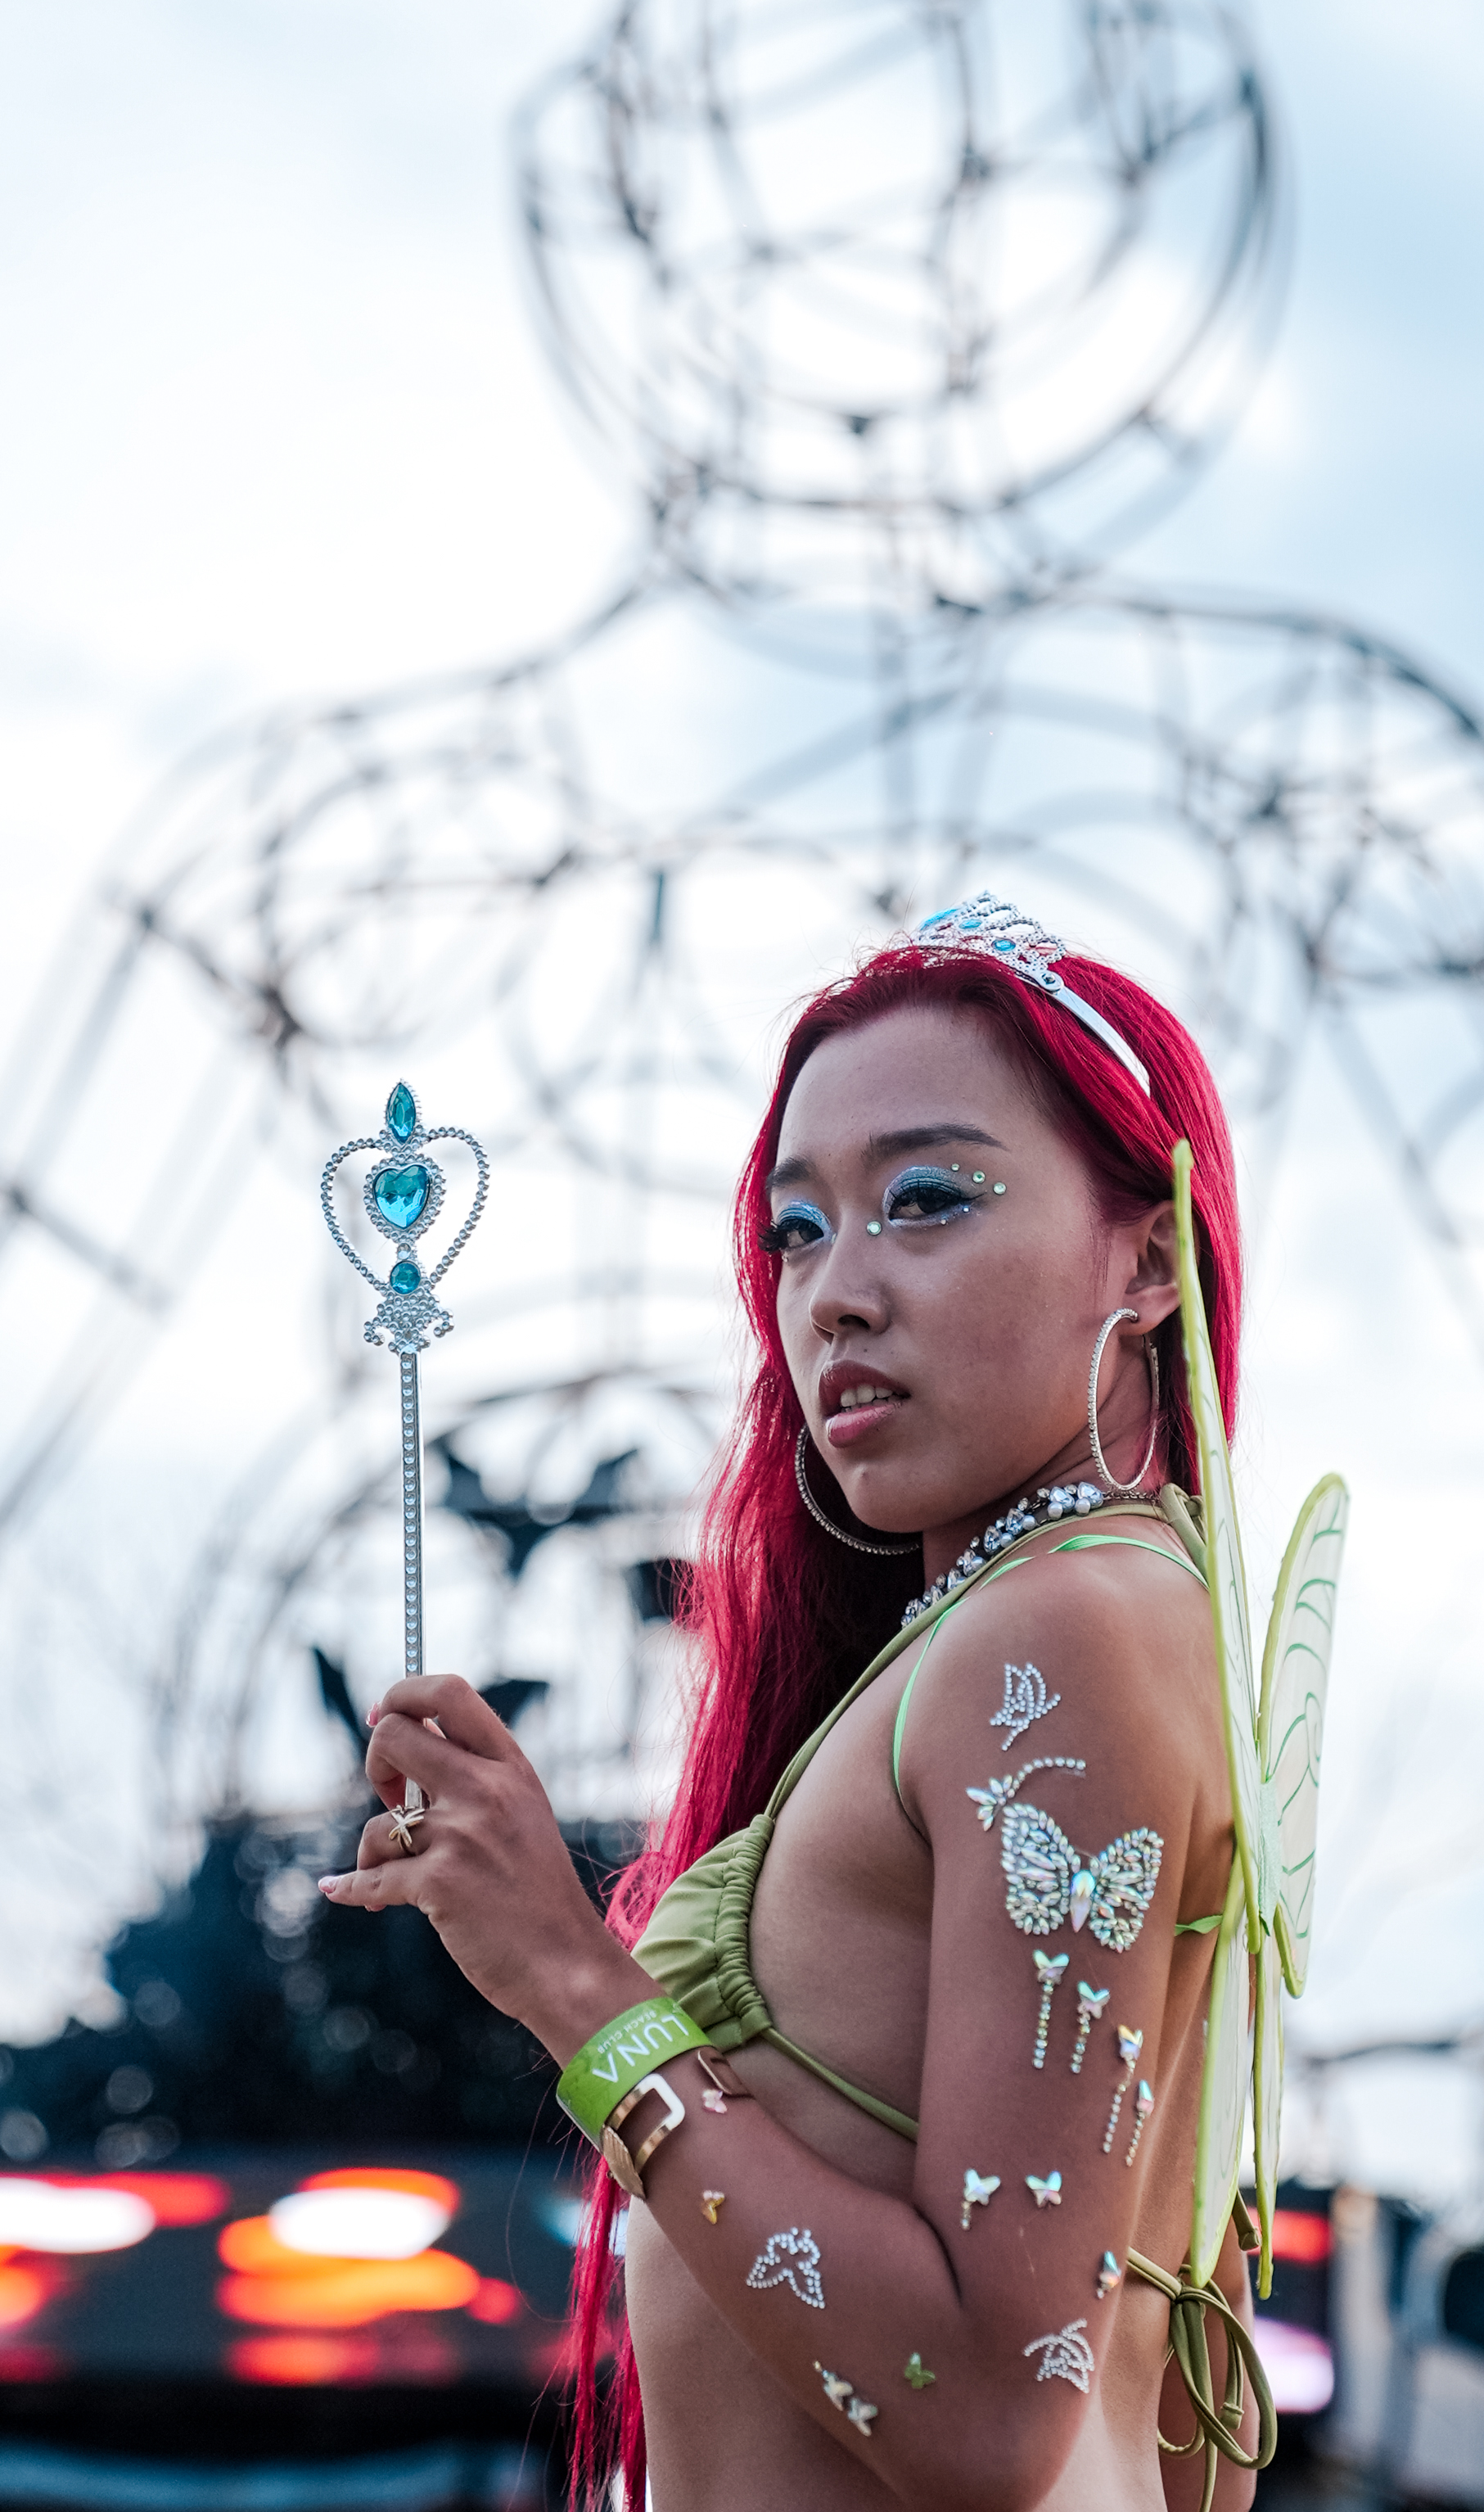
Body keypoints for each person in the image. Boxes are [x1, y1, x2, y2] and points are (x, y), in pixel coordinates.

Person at [320, 898, 1277, 2510]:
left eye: (925, 1199)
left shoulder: (1055, 1638)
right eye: (795, 1230)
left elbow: (987, 2422)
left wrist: (569, 1980)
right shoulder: (1091, 1624)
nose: (833, 1292)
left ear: (1148, 1258)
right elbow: (1177, 2409)